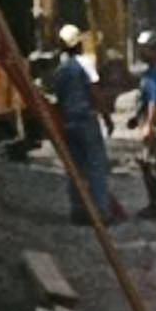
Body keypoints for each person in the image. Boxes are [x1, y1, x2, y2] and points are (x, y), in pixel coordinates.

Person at [54, 23, 114, 225]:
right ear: (79, 44)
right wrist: (107, 117)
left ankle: (79, 211)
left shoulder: (60, 70)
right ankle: (100, 212)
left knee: (75, 168)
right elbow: (95, 91)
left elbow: (59, 99)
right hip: (85, 119)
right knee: (96, 165)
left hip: (68, 122)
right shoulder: (85, 63)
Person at [128, 30, 156, 219]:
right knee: (150, 163)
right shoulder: (151, 71)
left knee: (153, 164)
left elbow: (154, 101)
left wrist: (149, 126)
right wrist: (136, 118)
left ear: (154, 50)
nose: (140, 52)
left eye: (144, 48)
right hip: (151, 120)